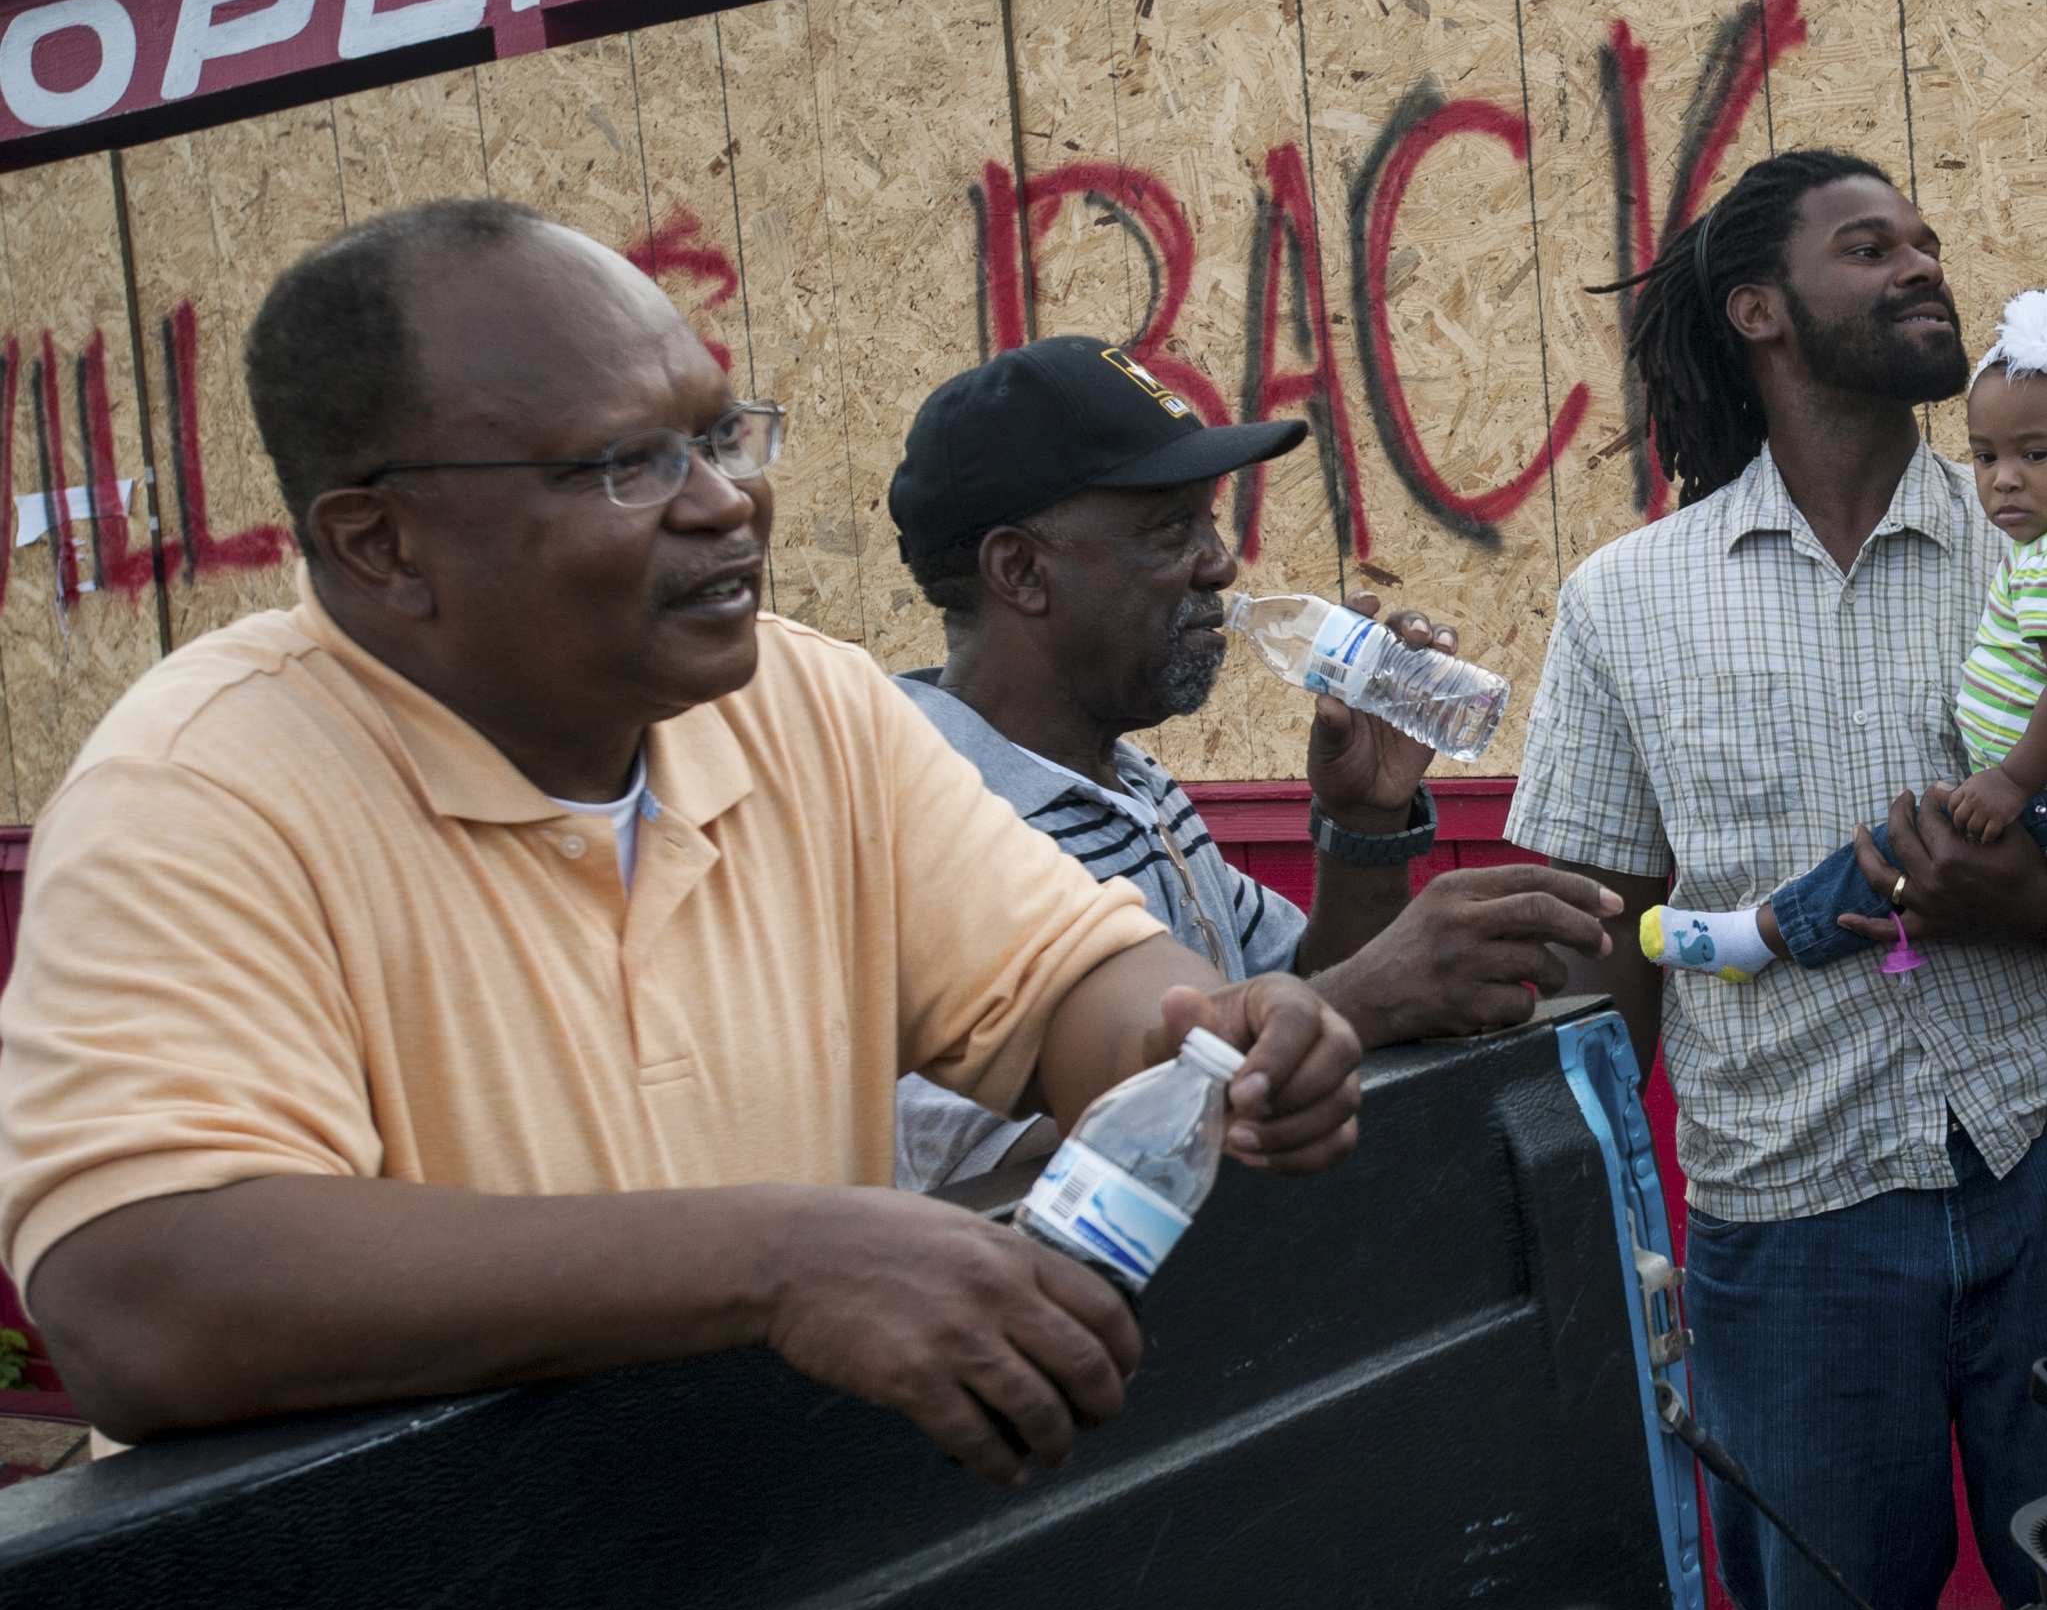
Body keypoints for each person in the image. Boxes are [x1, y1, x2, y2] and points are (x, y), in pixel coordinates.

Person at [0, 201, 1361, 1486]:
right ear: (381, 545)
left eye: (720, 438)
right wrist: (774, 1260)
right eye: (625, 464)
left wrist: (1213, 1041)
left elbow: (1072, 988)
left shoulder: (805, 705)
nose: (723, 503)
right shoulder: (199, 793)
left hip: (749, 1607)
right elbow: (144, 1294)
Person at [1511, 150, 2047, 1610]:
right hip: (1790, 1228)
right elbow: (1595, 950)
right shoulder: (1622, 603)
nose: (1924, 265)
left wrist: (2024, 911)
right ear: (1759, 311)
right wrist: (1585, 1231)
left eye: (1927, 236)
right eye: (1871, 247)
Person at [881, 338, 1620, 1194]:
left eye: (1210, 519)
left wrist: (1364, 825)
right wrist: (1362, 997)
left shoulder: (1138, 787)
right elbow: (989, 1184)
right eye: (1170, 529)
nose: (1220, 563)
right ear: (1020, 569)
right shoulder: (915, 822)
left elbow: (1291, 992)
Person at [1638, 289, 2047, 1021]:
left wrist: (2009, 779)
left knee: (1904, 843)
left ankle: (1760, 935)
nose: (2003, 478)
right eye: (1985, 455)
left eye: (2035, 455)